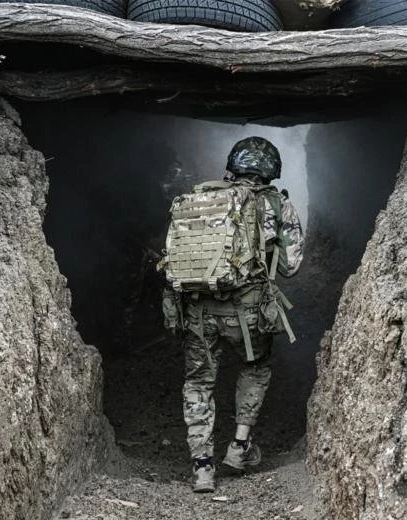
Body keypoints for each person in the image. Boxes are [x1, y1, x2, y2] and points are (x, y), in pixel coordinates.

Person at [159, 136, 304, 492]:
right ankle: (239, 447)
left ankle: (202, 467)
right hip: (248, 312)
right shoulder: (276, 203)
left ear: (232, 166)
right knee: (256, 366)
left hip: (198, 309)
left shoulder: (202, 199)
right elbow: (290, 266)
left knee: (198, 382)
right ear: (271, 170)